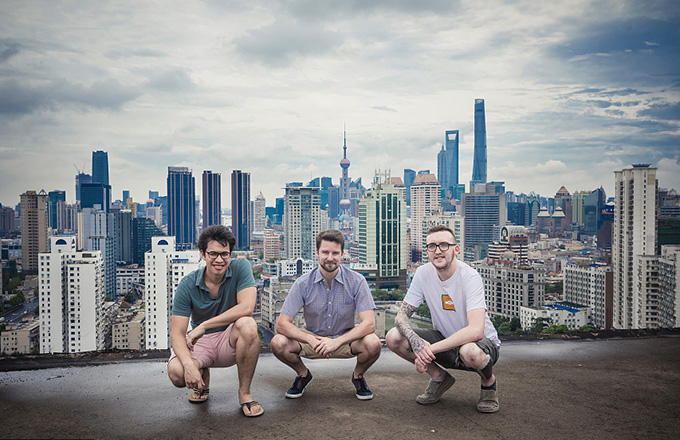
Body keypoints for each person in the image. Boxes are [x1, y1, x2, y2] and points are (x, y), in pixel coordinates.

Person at [386, 225, 501, 413]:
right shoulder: (423, 273)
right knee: (393, 337)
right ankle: (439, 377)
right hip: (445, 339)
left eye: (444, 245)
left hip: (481, 346)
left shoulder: (469, 276)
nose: (438, 251)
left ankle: (488, 383)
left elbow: (476, 331)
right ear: (427, 252)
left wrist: (427, 350)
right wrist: (415, 342)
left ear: (456, 249)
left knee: (469, 351)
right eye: (432, 246)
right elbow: (401, 316)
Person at [270, 229, 382, 400]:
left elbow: (369, 324)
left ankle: (358, 376)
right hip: (312, 338)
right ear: (317, 253)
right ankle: (302, 374)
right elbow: (282, 324)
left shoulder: (357, 281)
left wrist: (336, 342)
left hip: (345, 338)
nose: (330, 258)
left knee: (373, 343)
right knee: (278, 343)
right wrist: (311, 340)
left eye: (335, 253)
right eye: (325, 252)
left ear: (343, 254)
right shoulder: (302, 283)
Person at [167, 225, 264, 417]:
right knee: (177, 373)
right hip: (200, 344)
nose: (219, 260)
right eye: (213, 254)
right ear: (203, 254)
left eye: (224, 254)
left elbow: (247, 307)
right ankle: (202, 375)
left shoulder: (240, 267)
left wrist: (204, 325)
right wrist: (189, 366)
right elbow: (177, 334)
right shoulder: (187, 284)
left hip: (229, 339)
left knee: (248, 324)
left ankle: (244, 393)